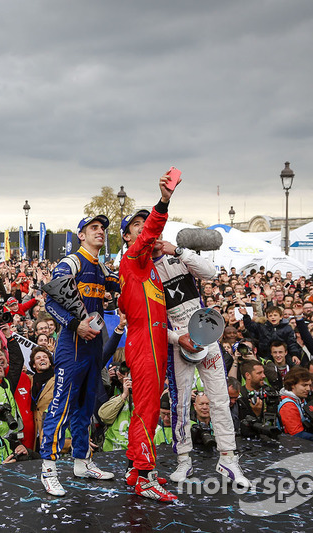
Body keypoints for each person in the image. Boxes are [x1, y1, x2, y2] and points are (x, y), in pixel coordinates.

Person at [152, 220, 249, 489]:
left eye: (157, 232)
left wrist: (178, 251)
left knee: (219, 397)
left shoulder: (178, 255)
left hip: (205, 334)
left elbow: (210, 271)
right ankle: (184, 459)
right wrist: (177, 338)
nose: (155, 237)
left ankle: (229, 458)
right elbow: (150, 321)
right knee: (180, 402)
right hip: (177, 343)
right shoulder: (144, 271)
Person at [39, 210, 121, 497]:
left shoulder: (102, 267)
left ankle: (82, 461)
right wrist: (76, 325)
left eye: (103, 228)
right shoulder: (72, 261)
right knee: (60, 405)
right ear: (81, 235)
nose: (100, 231)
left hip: (93, 345)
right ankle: (48, 469)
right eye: (94, 227)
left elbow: (120, 287)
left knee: (85, 407)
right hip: (72, 344)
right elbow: (50, 300)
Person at [114, 172, 178, 501]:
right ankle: (144, 476)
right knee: (148, 408)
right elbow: (154, 230)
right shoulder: (135, 258)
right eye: (136, 226)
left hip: (149, 338)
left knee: (146, 406)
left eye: (145, 223)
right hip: (145, 342)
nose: (144, 228)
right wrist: (164, 201)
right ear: (127, 236)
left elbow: (126, 304)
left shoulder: (143, 265)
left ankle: (134, 468)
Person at [277, 367, 313, 442]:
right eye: (304, 385)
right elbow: (297, 435)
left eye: (309, 385)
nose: (308, 389)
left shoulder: (300, 399)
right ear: (292, 385)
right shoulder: (288, 405)